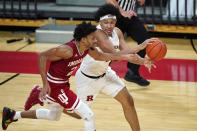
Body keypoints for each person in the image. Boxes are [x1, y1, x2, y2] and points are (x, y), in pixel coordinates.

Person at [23, 4, 157, 131]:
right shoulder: (96, 33)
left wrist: (143, 61)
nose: (109, 25)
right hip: (88, 79)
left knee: (128, 100)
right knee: (78, 114)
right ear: (100, 21)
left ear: (116, 22)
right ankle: (50, 99)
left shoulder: (118, 32)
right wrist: (140, 46)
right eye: (106, 22)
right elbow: (113, 54)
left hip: (105, 74)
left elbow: (128, 52)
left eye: (112, 22)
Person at [2, 22, 136, 131]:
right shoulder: (67, 50)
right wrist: (45, 85)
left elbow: (101, 56)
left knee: (53, 116)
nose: (96, 40)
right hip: (55, 86)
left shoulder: (87, 48)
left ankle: (13, 115)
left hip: (63, 83)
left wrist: (123, 56)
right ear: (83, 39)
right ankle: (41, 93)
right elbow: (42, 56)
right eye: (92, 38)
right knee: (88, 115)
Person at [106, 0, 151, 86]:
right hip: (114, 15)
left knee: (146, 41)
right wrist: (122, 11)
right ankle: (100, 73)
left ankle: (133, 72)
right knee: (110, 46)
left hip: (129, 16)